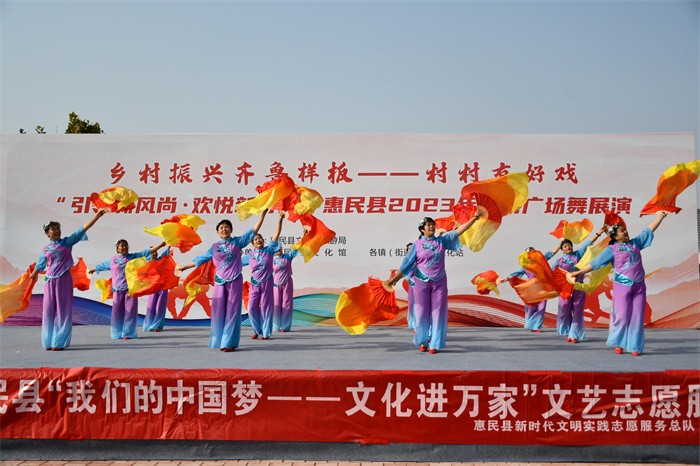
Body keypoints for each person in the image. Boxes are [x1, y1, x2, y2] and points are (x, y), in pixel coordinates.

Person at [571, 211, 669, 356]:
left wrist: (660, 217)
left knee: (637, 316)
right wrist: (578, 272)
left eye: (625, 230)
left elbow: (648, 230)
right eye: (622, 231)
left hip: (639, 286)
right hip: (622, 286)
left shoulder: (635, 243)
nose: (625, 232)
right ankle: (618, 342)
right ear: (616, 237)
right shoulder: (612, 249)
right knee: (622, 316)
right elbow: (595, 263)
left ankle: (634, 346)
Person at [383, 213, 481, 354]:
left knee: (438, 312)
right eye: (428, 225)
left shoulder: (442, 241)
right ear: (422, 229)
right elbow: (405, 266)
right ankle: (422, 341)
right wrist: (393, 280)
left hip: (439, 282)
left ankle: (435, 344)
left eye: (433, 225)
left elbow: (460, 231)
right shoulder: (416, 245)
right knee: (421, 312)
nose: (431, 227)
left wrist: (474, 218)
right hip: (421, 282)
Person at [177, 211, 267, 352]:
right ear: (218, 232)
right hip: (220, 281)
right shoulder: (214, 247)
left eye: (227, 227)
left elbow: (254, 230)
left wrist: (263, 214)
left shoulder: (237, 242)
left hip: (235, 279)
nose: (224, 229)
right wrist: (185, 267)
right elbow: (201, 259)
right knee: (218, 311)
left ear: (231, 230)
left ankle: (229, 342)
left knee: (233, 311)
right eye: (221, 227)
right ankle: (219, 340)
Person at [29, 208, 109, 350]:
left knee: (63, 310)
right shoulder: (46, 249)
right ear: (47, 233)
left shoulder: (67, 242)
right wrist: (33, 274)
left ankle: (59, 342)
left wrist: (97, 216)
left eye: (57, 228)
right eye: (53, 229)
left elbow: (82, 229)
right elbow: (40, 264)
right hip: (49, 281)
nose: (56, 231)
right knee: (48, 310)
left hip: (63, 279)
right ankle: (48, 341)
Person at [90, 240, 167, 340]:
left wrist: (161, 245)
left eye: (126, 246)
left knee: (130, 311)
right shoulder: (113, 259)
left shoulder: (133, 257)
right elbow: (103, 265)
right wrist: (94, 269)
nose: (124, 248)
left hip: (130, 289)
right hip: (117, 289)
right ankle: (117, 333)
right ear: (117, 248)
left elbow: (146, 252)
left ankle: (128, 333)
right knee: (117, 312)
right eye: (122, 246)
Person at [552, 228, 604, 343]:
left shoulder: (578, 255)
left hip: (579, 288)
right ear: (562, 249)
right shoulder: (559, 261)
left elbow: (588, 244)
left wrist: (599, 233)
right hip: (565, 290)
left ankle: (574, 335)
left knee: (577, 311)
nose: (568, 247)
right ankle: (567, 331)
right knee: (565, 310)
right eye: (565, 246)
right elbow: (550, 273)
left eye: (569, 245)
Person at [496, 244, 561, 333]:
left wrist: (560, 244)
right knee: (531, 307)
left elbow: (552, 253)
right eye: (528, 253)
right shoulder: (525, 266)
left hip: (542, 288)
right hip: (531, 289)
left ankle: (536, 326)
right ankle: (529, 324)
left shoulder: (541, 261)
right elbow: (515, 274)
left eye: (532, 253)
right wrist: (505, 279)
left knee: (541, 307)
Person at [242, 212, 284, 339]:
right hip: (254, 284)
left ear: (263, 241)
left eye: (260, 238)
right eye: (255, 239)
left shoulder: (269, 250)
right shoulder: (249, 256)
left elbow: (276, 235)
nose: (258, 240)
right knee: (251, 308)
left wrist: (280, 220)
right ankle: (257, 329)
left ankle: (266, 333)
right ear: (252, 243)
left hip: (267, 282)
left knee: (266, 308)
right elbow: (235, 263)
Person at [272, 223, 303, 333]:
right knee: (276, 305)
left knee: (287, 304)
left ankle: (285, 327)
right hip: (275, 285)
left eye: (279, 247)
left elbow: (297, 247)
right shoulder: (270, 259)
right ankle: (275, 326)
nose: (278, 249)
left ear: (282, 248)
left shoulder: (288, 257)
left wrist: (303, 236)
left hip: (287, 283)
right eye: (276, 248)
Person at [142, 247, 171, 332]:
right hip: (152, 288)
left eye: (155, 252)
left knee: (160, 307)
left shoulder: (161, 260)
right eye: (152, 252)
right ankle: (149, 325)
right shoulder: (146, 263)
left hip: (162, 287)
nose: (154, 253)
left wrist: (169, 244)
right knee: (151, 307)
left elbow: (166, 252)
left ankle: (157, 326)